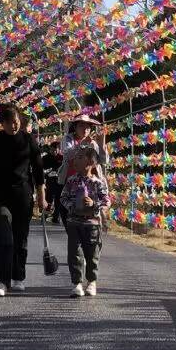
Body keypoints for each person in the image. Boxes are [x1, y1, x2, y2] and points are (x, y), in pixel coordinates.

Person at [0, 104, 45, 296]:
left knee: (20, 238)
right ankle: (1, 281)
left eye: (16, 122)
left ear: (20, 121)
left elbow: (38, 171)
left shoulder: (29, 140)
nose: (13, 126)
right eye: (8, 123)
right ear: (2, 124)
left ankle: (18, 276)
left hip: (23, 195)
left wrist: (41, 197)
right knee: (4, 238)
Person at [60, 146, 110, 297]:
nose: (76, 160)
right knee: (74, 253)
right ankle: (76, 283)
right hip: (74, 222)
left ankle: (91, 281)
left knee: (92, 253)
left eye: (80, 157)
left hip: (92, 224)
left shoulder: (98, 182)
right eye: (76, 157)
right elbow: (63, 198)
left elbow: (106, 201)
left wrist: (94, 205)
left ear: (91, 163)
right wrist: (72, 206)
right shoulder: (71, 180)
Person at [57, 113, 107, 226]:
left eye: (88, 127)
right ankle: (73, 231)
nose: (85, 129)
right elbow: (67, 154)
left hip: (89, 181)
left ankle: (87, 233)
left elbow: (103, 160)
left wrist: (101, 145)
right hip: (71, 179)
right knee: (68, 207)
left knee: (88, 207)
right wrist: (83, 144)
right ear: (75, 127)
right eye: (81, 126)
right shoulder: (68, 139)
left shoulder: (93, 142)